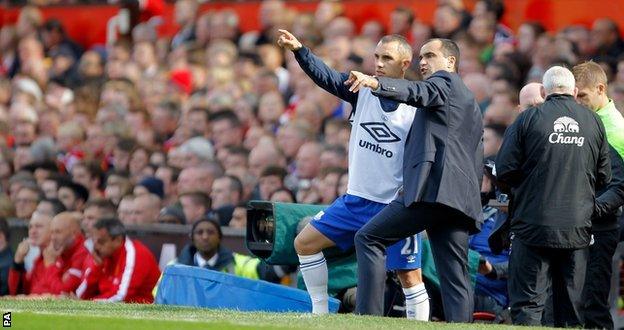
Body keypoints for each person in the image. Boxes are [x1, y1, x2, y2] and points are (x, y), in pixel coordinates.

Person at [278, 29, 428, 320]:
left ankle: (418, 326)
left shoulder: (416, 107)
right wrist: (300, 50)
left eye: (387, 58)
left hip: (393, 208)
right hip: (356, 200)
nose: (379, 63)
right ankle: (319, 315)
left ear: (405, 63)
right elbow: (328, 77)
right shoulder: (363, 91)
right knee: (305, 244)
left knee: (410, 276)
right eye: (376, 57)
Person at [344, 38, 483, 322]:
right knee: (455, 277)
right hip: (458, 197)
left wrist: (375, 84)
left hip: (431, 191)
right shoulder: (470, 99)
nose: (423, 61)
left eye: (430, 55)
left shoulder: (443, 83)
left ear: (450, 62)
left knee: (369, 237)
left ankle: (366, 319)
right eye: (421, 56)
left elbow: (417, 91)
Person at [495, 66, 611, 326]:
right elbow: (604, 176)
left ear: (545, 91)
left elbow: (504, 170)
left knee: (528, 306)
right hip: (577, 228)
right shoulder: (594, 122)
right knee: (570, 310)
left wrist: (527, 190)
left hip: (532, 225)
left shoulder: (527, 119)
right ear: (574, 91)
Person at [573, 61, 624, 329]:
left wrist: (589, 210)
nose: (578, 102)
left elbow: (620, 187)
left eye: (582, 95)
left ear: (600, 89)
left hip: (604, 223)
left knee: (594, 298)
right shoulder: (590, 121)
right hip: (591, 219)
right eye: (574, 96)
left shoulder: (613, 130)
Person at [76, 218, 160, 303]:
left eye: (101, 242)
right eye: (94, 241)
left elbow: (121, 296)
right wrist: (97, 266)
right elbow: (81, 294)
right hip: (112, 308)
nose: (96, 246)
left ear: (118, 240)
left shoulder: (134, 253)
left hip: (141, 310)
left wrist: (89, 303)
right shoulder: (103, 255)